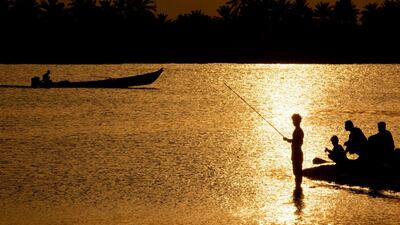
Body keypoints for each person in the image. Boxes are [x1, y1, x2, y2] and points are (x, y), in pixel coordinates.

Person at [284, 114, 304, 188]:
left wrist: (288, 140)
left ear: (297, 121)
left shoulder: (298, 131)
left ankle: (298, 189)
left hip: (297, 153)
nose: (293, 122)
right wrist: (288, 140)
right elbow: (296, 141)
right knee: (297, 172)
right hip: (297, 153)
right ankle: (298, 189)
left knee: (297, 172)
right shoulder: (298, 130)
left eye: (294, 121)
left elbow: (297, 141)